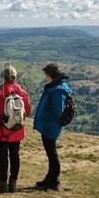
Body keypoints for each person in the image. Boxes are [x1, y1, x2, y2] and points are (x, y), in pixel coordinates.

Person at [0, 65, 31, 193]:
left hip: (1, 132)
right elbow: (26, 111)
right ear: (15, 77)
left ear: (3, 78)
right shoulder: (23, 92)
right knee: (15, 156)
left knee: (2, 157)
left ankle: (3, 184)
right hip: (16, 130)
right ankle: (13, 184)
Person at [33, 63, 72, 191]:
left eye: (46, 74)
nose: (45, 77)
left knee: (52, 154)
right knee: (51, 154)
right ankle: (49, 178)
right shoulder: (55, 87)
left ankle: (54, 181)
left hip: (51, 127)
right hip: (48, 126)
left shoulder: (57, 90)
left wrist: (46, 116)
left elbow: (58, 112)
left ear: (49, 75)